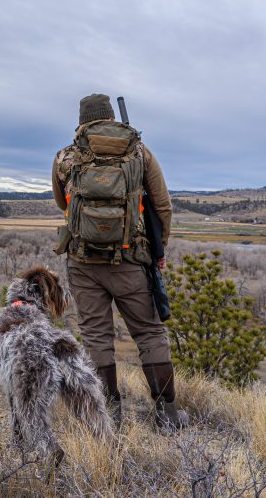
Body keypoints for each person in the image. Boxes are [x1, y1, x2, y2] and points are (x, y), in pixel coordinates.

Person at [51, 93, 188, 432]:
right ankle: (167, 415)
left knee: (97, 337)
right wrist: (158, 252)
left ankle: (109, 417)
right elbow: (163, 206)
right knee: (149, 332)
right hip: (131, 258)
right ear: (111, 117)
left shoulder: (65, 157)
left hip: (83, 263)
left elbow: (62, 204)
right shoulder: (140, 151)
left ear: (82, 120)